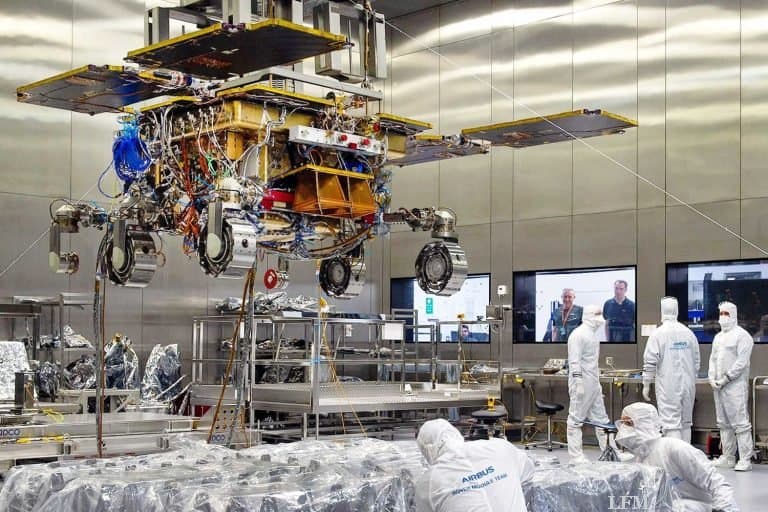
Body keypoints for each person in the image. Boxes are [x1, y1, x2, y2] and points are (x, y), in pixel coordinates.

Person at [616, 402, 739, 512]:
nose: (623, 429)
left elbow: (716, 483)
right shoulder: (641, 459)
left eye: (628, 423)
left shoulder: (674, 448)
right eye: (622, 424)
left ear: (644, 423)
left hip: (699, 507)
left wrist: (724, 508)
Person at [414, 418, 534, 512]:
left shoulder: (428, 483)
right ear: (455, 433)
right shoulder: (499, 447)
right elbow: (528, 469)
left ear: (427, 451)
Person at [566, 304, 623, 463]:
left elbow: (592, 363)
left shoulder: (592, 336)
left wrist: (596, 385)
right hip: (582, 383)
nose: (600, 319)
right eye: (597, 315)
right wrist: (578, 383)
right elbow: (574, 361)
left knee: (601, 420)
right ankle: (576, 456)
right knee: (576, 419)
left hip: (593, 383)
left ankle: (611, 451)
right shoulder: (578, 335)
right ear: (588, 315)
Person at [642, 296, 700, 442]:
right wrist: (692, 379)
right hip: (688, 385)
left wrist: (646, 383)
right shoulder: (688, 333)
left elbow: (650, 362)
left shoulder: (658, 334)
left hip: (669, 385)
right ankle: (685, 461)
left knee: (671, 424)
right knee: (686, 423)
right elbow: (697, 361)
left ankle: (674, 463)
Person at [709, 301, 755, 471]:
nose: (722, 317)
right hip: (718, 387)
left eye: (726, 314)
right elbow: (713, 359)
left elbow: (741, 363)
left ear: (734, 315)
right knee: (723, 423)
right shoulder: (718, 337)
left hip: (735, 386)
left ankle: (745, 459)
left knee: (740, 423)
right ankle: (728, 457)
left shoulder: (743, 336)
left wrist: (726, 378)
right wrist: (712, 377)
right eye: (721, 314)